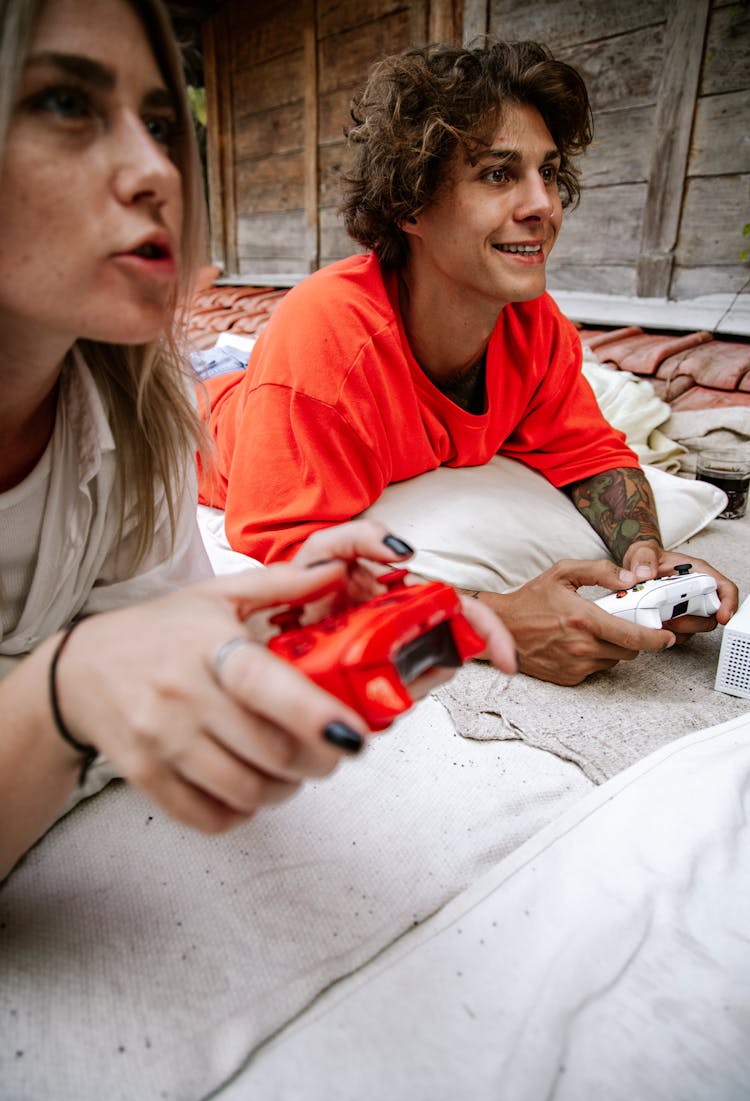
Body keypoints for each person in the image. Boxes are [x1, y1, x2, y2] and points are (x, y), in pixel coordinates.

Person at [0, 0, 516, 881]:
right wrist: (61, 697)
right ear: (411, 209)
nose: (155, 167)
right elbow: (99, 680)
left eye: (164, 123)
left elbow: (152, 650)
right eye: (64, 103)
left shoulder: (140, 418)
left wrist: (269, 637)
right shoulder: (323, 328)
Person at [197, 39, 738, 686]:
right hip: (196, 425)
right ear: (410, 204)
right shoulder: (327, 338)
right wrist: (494, 622)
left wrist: (647, 560)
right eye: (498, 174)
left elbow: (593, 459)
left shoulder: (535, 329)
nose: (543, 205)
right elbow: (291, 573)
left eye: (548, 171)